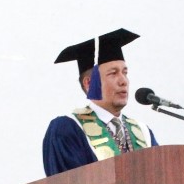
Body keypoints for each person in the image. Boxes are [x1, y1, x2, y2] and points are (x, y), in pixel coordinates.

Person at [43, 28, 159, 176]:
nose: (123, 81)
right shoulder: (69, 129)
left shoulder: (143, 132)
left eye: (125, 72)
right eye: (113, 73)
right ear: (89, 84)